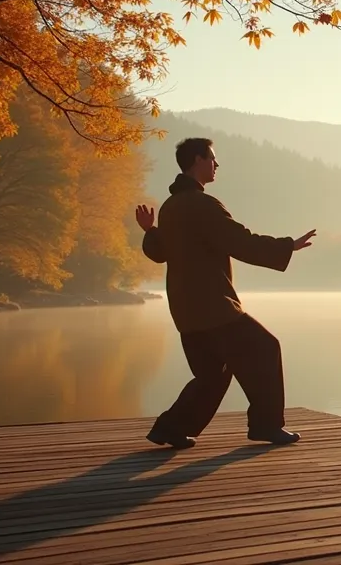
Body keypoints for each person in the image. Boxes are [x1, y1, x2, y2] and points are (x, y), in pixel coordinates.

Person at [134, 137, 316, 449]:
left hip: (186, 310)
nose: (217, 165)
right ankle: (266, 425)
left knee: (212, 375)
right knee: (265, 348)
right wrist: (287, 245)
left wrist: (150, 230)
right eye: (212, 159)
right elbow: (239, 241)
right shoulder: (202, 205)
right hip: (214, 307)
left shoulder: (171, 207)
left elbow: (159, 251)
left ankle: (171, 428)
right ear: (196, 161)